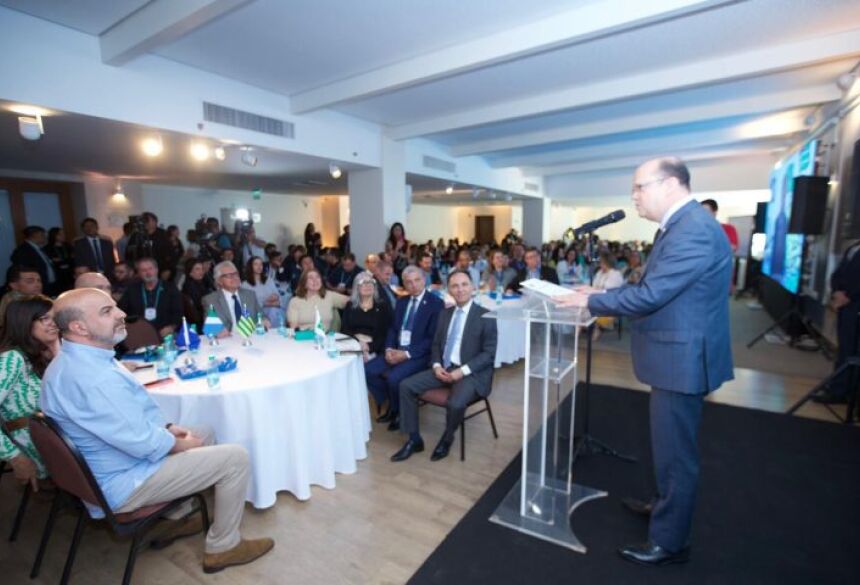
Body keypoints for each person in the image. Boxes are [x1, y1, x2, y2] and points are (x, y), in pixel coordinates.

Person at [555, 157, 733, 566]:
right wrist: (594, 290)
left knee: (676, 454)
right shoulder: (684, 226)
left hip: (682, 359)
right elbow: (655, 285)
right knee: (668, 448)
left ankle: (669, 541)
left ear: (670, 184)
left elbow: (651, 297)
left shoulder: (692, 231)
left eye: (640, 187)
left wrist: (591, 300)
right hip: (676, 354)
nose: (633, 195)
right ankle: (664, 505)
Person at [41, 288, 274, 573]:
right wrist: (181, 443)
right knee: (235, 458)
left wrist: (167, 427)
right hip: (124, 481)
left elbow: (128, 417)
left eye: (115, 306)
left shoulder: (74, 361)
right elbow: (144, 443)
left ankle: (180, 515)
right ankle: (223, 546)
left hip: (111, 466)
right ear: (79, 327)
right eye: (107, 311)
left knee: (205, 430)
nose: (121, 314)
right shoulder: (93, 378)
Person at [392, 269, 497, 462]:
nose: (460, 290)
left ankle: (448, 438)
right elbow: (436, 345)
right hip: (443, 369)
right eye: (455, 286)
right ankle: (414, 439)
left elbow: (488, 355)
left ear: (473, 287)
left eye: (464, 284)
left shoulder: (486, 316)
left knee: (455, 403)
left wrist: (461, 371)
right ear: (449, 289)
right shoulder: (444, 314)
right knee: (405, 386)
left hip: (470, 373)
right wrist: (436, 365)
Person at [365, 266, 443, 430]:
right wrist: (388, 349)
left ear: (424, 280)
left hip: (419, 355)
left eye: (417, 280)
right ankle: (393, 405)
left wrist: (406, 354)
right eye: (409, 282)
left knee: (394, 378)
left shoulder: (436, 304)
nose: (413, 285)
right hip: (396, 349)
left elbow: (432, 339)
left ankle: (397, 411)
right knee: (367, 371)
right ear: (404, 285)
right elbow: (393, 329)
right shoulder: (402, 302)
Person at [0, 295, 59, 489]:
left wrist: (56, 348)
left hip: (56, 439)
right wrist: (14, 457)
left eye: (54, 317)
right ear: (25, 322)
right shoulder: (12, 358)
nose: (54, 324)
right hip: (42, 447)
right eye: (45, 319)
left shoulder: (34, 356)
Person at [814, 238, 860, 404]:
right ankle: (838, 387)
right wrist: (837, 290)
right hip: (846, 307)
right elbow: (840, 272)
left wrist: (849, 295)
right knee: (845, 349)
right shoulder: (854, 246)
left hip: (855, 304)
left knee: (854, 351)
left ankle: (849, 393)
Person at [118, 258, 183, 339]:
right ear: (139, 273)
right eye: (143, 270)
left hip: (166, 333)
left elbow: (178, 312)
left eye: (150, 269)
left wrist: (171, 327)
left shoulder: (170, 288)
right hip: (140, 334)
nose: (148, 273)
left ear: (156, 270)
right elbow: (120, 311)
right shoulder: (132, 290)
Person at [202, 261, 266, 336]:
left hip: (251, 336)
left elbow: (261, 316)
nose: (235, 278)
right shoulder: (210, 300)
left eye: (236, 274)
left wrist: (264, 320)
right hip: (227, 339)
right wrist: (215, 331)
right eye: (229, 276)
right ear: (219, 281)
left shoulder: (250, 295)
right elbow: (209, 327)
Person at [341, 271, 392, 363]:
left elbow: (385, 333)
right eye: (363, 283)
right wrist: (359, 344)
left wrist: (369, 347)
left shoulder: (382, 306)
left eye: (370, 282)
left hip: (375, 348)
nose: (367, 285)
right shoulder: (350, 305)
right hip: (353, 345)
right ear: (356, 287)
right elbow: (345, 329)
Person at [10, 225, 58, 296]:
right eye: (42, 235)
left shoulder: (39, 248)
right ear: (34, 235)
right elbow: (24, 270)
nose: (45, 237)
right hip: (36, 288)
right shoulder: (23, 250)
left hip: (49, 286)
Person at [241, 256, 283, 325]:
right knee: (272, 312)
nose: (259, 266)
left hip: (272, 309)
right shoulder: (245, 285)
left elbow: (277, 296)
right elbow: (248, 304)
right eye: (256, 264)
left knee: (274, 311)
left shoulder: (269, 280)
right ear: (250, 266)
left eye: (261, 264)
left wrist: (273, 299)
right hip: (256, 311)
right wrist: (266, 302)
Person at [0, 266, 43, 332]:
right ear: (14, 285)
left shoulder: (34, 297)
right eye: (30, 281)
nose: (37, 285)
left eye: (39, 281)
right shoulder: (13, 303)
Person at [181, 258, 212, 332]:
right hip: (198, 323)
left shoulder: (200, 283)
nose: (201, 271)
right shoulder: (190, 286)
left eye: (201, 269)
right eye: (197, 269)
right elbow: (200, 304)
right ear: (190, 272)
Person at [45, 227, 74, 292]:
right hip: (58, 276)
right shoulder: (48, 248)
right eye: (60, 234)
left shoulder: (68, 246)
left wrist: (61, 261)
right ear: (54, 236)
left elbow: (72, 259)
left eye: (63, 234)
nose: (63, 236)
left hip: (70, 275)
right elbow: (51, 262)